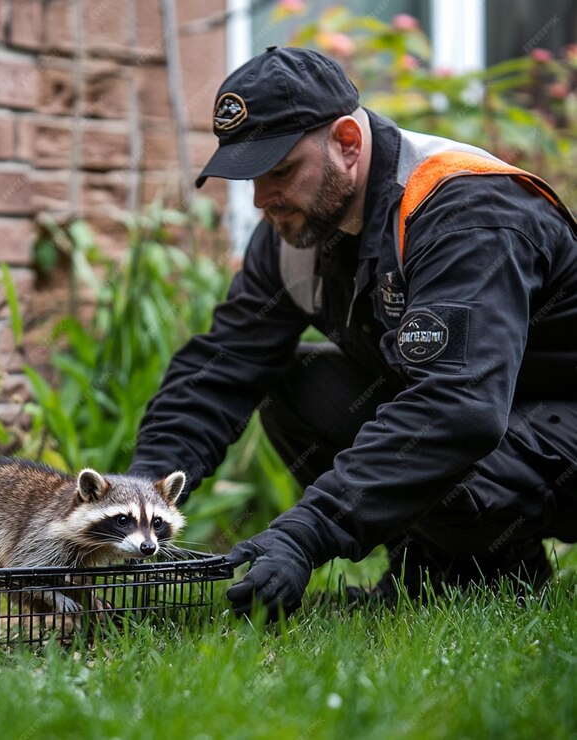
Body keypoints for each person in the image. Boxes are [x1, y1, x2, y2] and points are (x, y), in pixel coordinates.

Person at [127, 46, 577, 619]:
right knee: (298, 386)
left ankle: (483, 565)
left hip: (555, 420)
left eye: (281, 171)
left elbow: (457, 408)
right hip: (495, 416)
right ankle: (455, 570)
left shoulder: (465, 212)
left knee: (439, 433)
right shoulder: (298, 232)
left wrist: (307, 532)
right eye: (249, 178)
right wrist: (138, 498)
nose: (262, 200)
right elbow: (221, 370)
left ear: (346, 141)